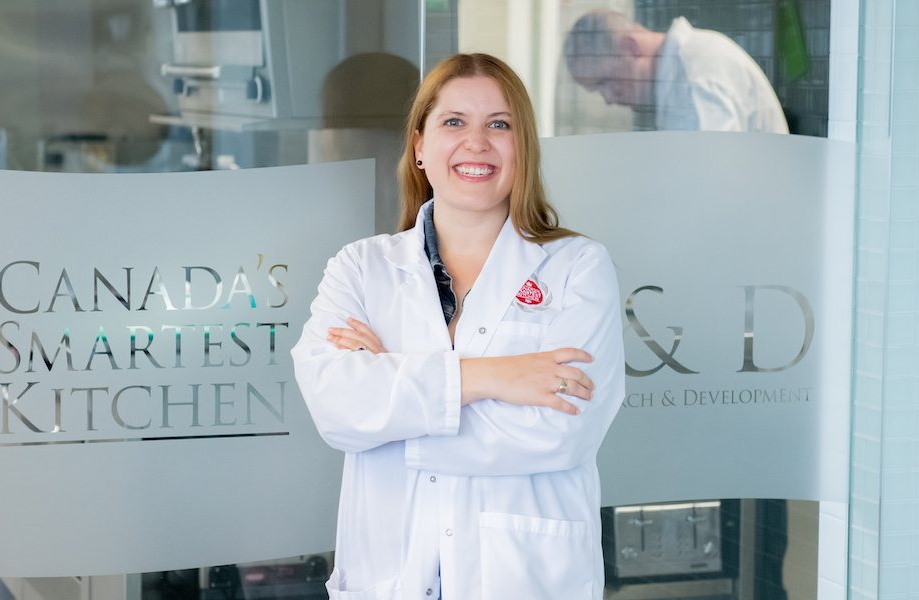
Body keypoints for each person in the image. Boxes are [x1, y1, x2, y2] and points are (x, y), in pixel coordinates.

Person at [291, 53, 625, 599]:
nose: (477, 143)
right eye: (454, 123)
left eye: (500, 124)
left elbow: (561, 431)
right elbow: (337, 408)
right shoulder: (361, 268)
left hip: (524, 578)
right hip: (392, 573)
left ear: (524, 149)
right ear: (420, 146)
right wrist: (494, 378)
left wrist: (391, 401)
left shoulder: (577, 267)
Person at [564, 10, 789, 133]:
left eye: (604, 82)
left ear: (630, 47)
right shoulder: (684, 71)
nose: (608, 99)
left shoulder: (692, 77)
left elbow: (706, 189)